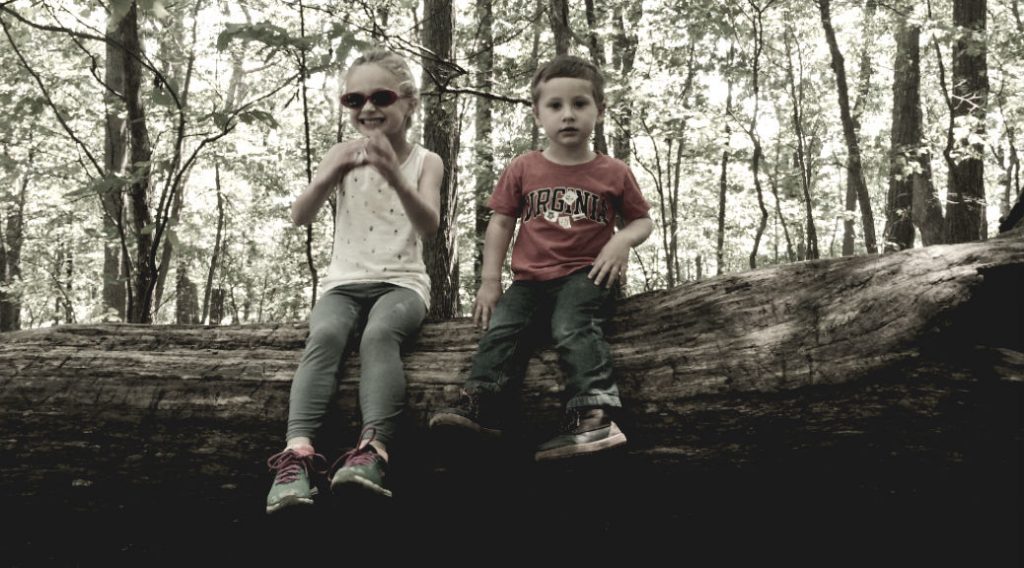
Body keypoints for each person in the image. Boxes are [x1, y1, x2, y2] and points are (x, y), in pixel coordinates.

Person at [429, 55, 653, 461]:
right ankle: (483, 409)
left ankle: (593, 417)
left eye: (580, 104)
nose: (568, 115)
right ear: (537, 114)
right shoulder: (524, 167)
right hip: (529, 281)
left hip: (587, 276)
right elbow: (500, 224)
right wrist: (490, 281)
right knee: (503, 329)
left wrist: (620, 242)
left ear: (599, 111)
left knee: (573, 325)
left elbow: (642, 222)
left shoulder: (613, 171)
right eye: (555, 106)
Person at [265, 49, 444, 514]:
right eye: (354, 99)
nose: (367, 108)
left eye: (381, 97)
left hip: (402, 284)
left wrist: (393, 175)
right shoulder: (340, 153)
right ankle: (297, 455)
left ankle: (373, 452)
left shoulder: (426, 161)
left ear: (409, 104)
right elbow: (301, 215)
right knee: (324, 335)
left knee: (379, 336)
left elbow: (429, 225)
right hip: (343, 284)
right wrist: (332, 171)